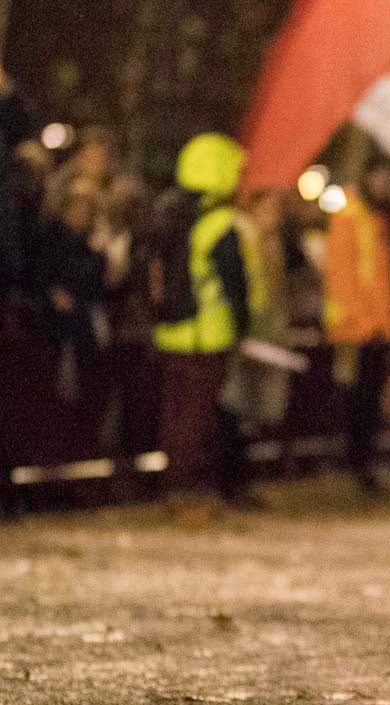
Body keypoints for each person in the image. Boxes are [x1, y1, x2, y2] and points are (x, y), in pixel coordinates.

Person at [149, 133, 249, 500]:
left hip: (171, 331)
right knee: (198, 416)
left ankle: (173, 482)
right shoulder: (220, 223)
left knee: (174, 414)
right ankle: (188, 489)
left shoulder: (167, 215)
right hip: (208, 333)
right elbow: (234, 285)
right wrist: (242, 326)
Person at [322, 156, 390, 493]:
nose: (385, 186)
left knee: (370, 399)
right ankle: (356, 464)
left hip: (374, 326)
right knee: (356, 399)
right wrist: (357, 318)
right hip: (356, 327)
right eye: (380, 178)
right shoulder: (353, 218)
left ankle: (363, 464)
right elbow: (342, 274)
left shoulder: (379, 219)